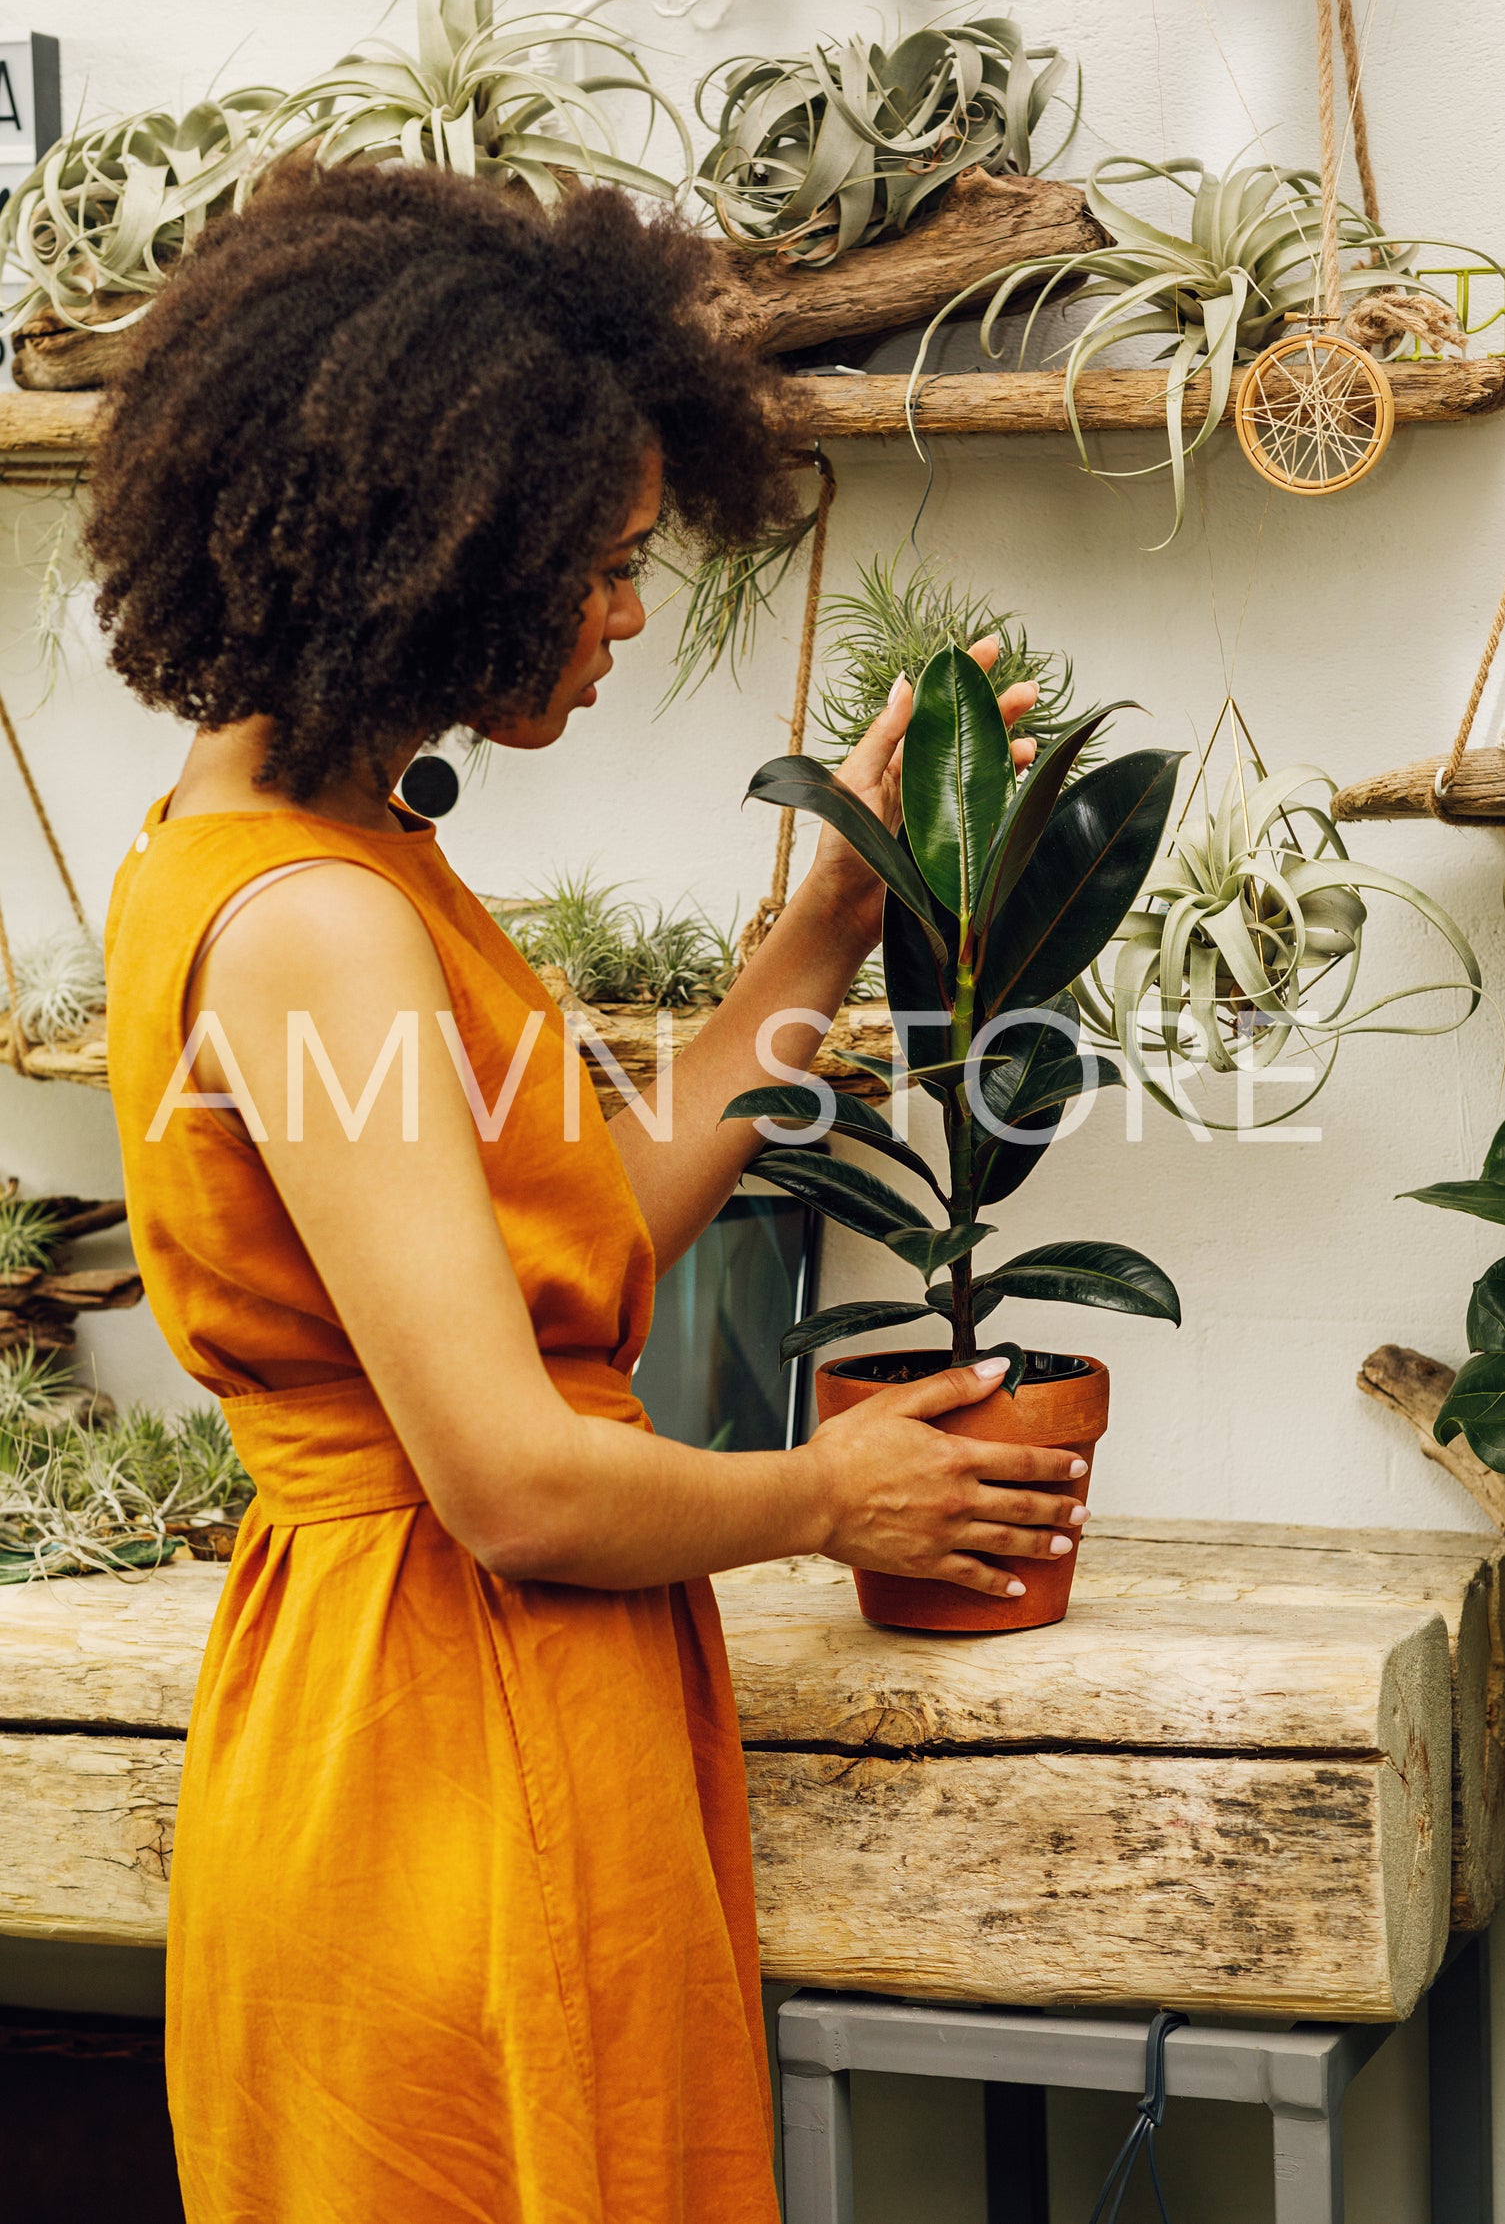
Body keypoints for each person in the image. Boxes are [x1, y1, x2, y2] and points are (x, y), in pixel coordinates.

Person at [95, 163, 1086, 2224]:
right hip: (447, 1746)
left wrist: (816, 930)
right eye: (608, 560)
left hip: (479, 1705)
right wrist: (837, 1497)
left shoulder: (308, 848)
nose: (632, 612)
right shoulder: (312, 919)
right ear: (446, 546)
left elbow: (591, 1241)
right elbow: (514, 1479)